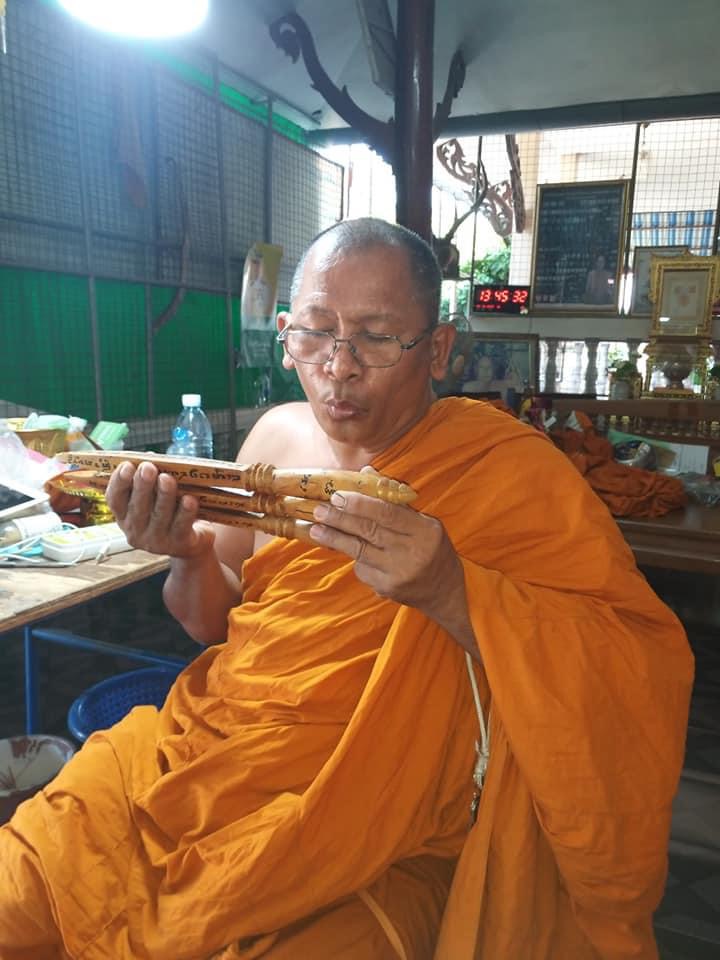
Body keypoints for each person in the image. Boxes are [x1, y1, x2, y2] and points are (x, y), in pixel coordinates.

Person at [0, 218, 692, 960]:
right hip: (190, 760)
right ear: (286, 335)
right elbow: (211, 625)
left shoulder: (506, 472)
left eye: (376, 337)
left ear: (438, 349)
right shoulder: (274, 438)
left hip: (371, 828)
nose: (339, 367)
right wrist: (188, 553)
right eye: (316, 333)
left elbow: (632, 669)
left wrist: (453, 591)